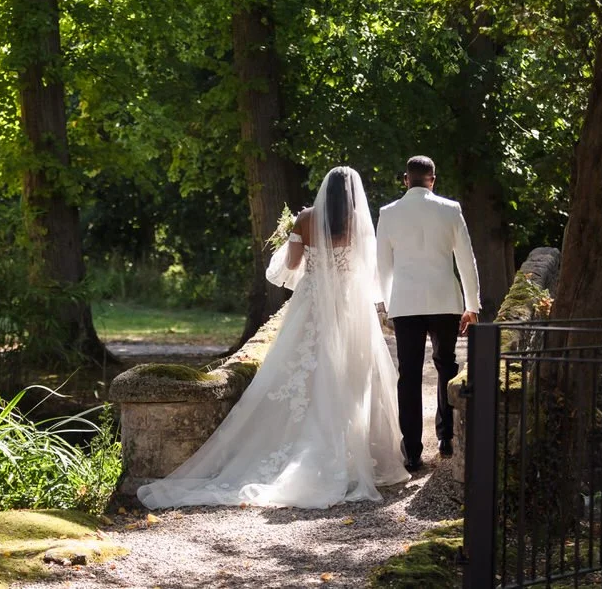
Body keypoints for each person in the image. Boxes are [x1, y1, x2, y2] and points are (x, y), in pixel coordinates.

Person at [138, 167, 409, 510]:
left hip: (311, 303)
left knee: (303, 370)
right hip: (348, 305)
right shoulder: (359, 222)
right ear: (353, 193)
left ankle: (300, 446)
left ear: (325, 190)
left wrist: (291, 239)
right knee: (351, 375)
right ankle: (352, 452)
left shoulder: (307, 219)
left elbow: (292, 265)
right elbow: (366, 269)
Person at [376, 155, 481, 472]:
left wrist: (385, 303)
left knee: (408, 375)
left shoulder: (389, 213)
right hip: (444, 300)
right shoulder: (450, 210)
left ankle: (411, 451)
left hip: (406, 303)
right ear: (433, 179)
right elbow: (466, 259)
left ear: (406, 179)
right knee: (446, 365)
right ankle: (447, 437)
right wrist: (472, 304)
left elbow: (383, 265)